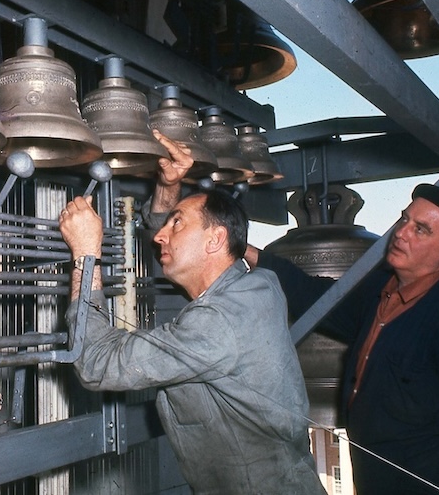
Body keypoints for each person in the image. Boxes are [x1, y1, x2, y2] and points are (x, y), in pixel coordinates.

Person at [58, 131, 326, 494]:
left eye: (177, 222)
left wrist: (85, 256)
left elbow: (95, 363)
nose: (159, 235)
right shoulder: (257, 285)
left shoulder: (217, 324)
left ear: (215, 240)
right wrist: (170, 186)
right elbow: (178, 250)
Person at [243, 183, 439, 494]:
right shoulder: (379, 290)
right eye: (403, 220)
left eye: (420, 229)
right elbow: (316, 298)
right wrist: (246, 251)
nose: (402, 233)